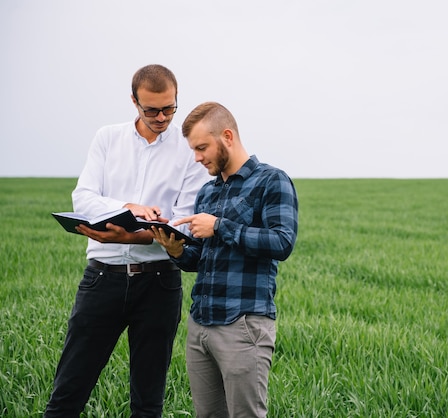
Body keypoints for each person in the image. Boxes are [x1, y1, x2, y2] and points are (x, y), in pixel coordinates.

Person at [44, 64, 210, 417]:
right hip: (102, 277)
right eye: (152, 110)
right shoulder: (107, 137)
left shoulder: (187, 149)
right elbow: (84, 197)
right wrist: (127, 208)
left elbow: (182, 220)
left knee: (148, 402)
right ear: (134, 102)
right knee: (67, 393)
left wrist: (129, 234)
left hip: (160, 283)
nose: (162, 117)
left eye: (170, 108)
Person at [151, 101, 298, 417]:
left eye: (202, 147)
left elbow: (282, 242)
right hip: (200, 324)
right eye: (193, 149)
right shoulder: (207, 193)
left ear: (227, 136)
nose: (197, 157)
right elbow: (199, 259)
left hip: (243, 324)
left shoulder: (271, 181)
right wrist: (176, 251)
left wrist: (219, 225)